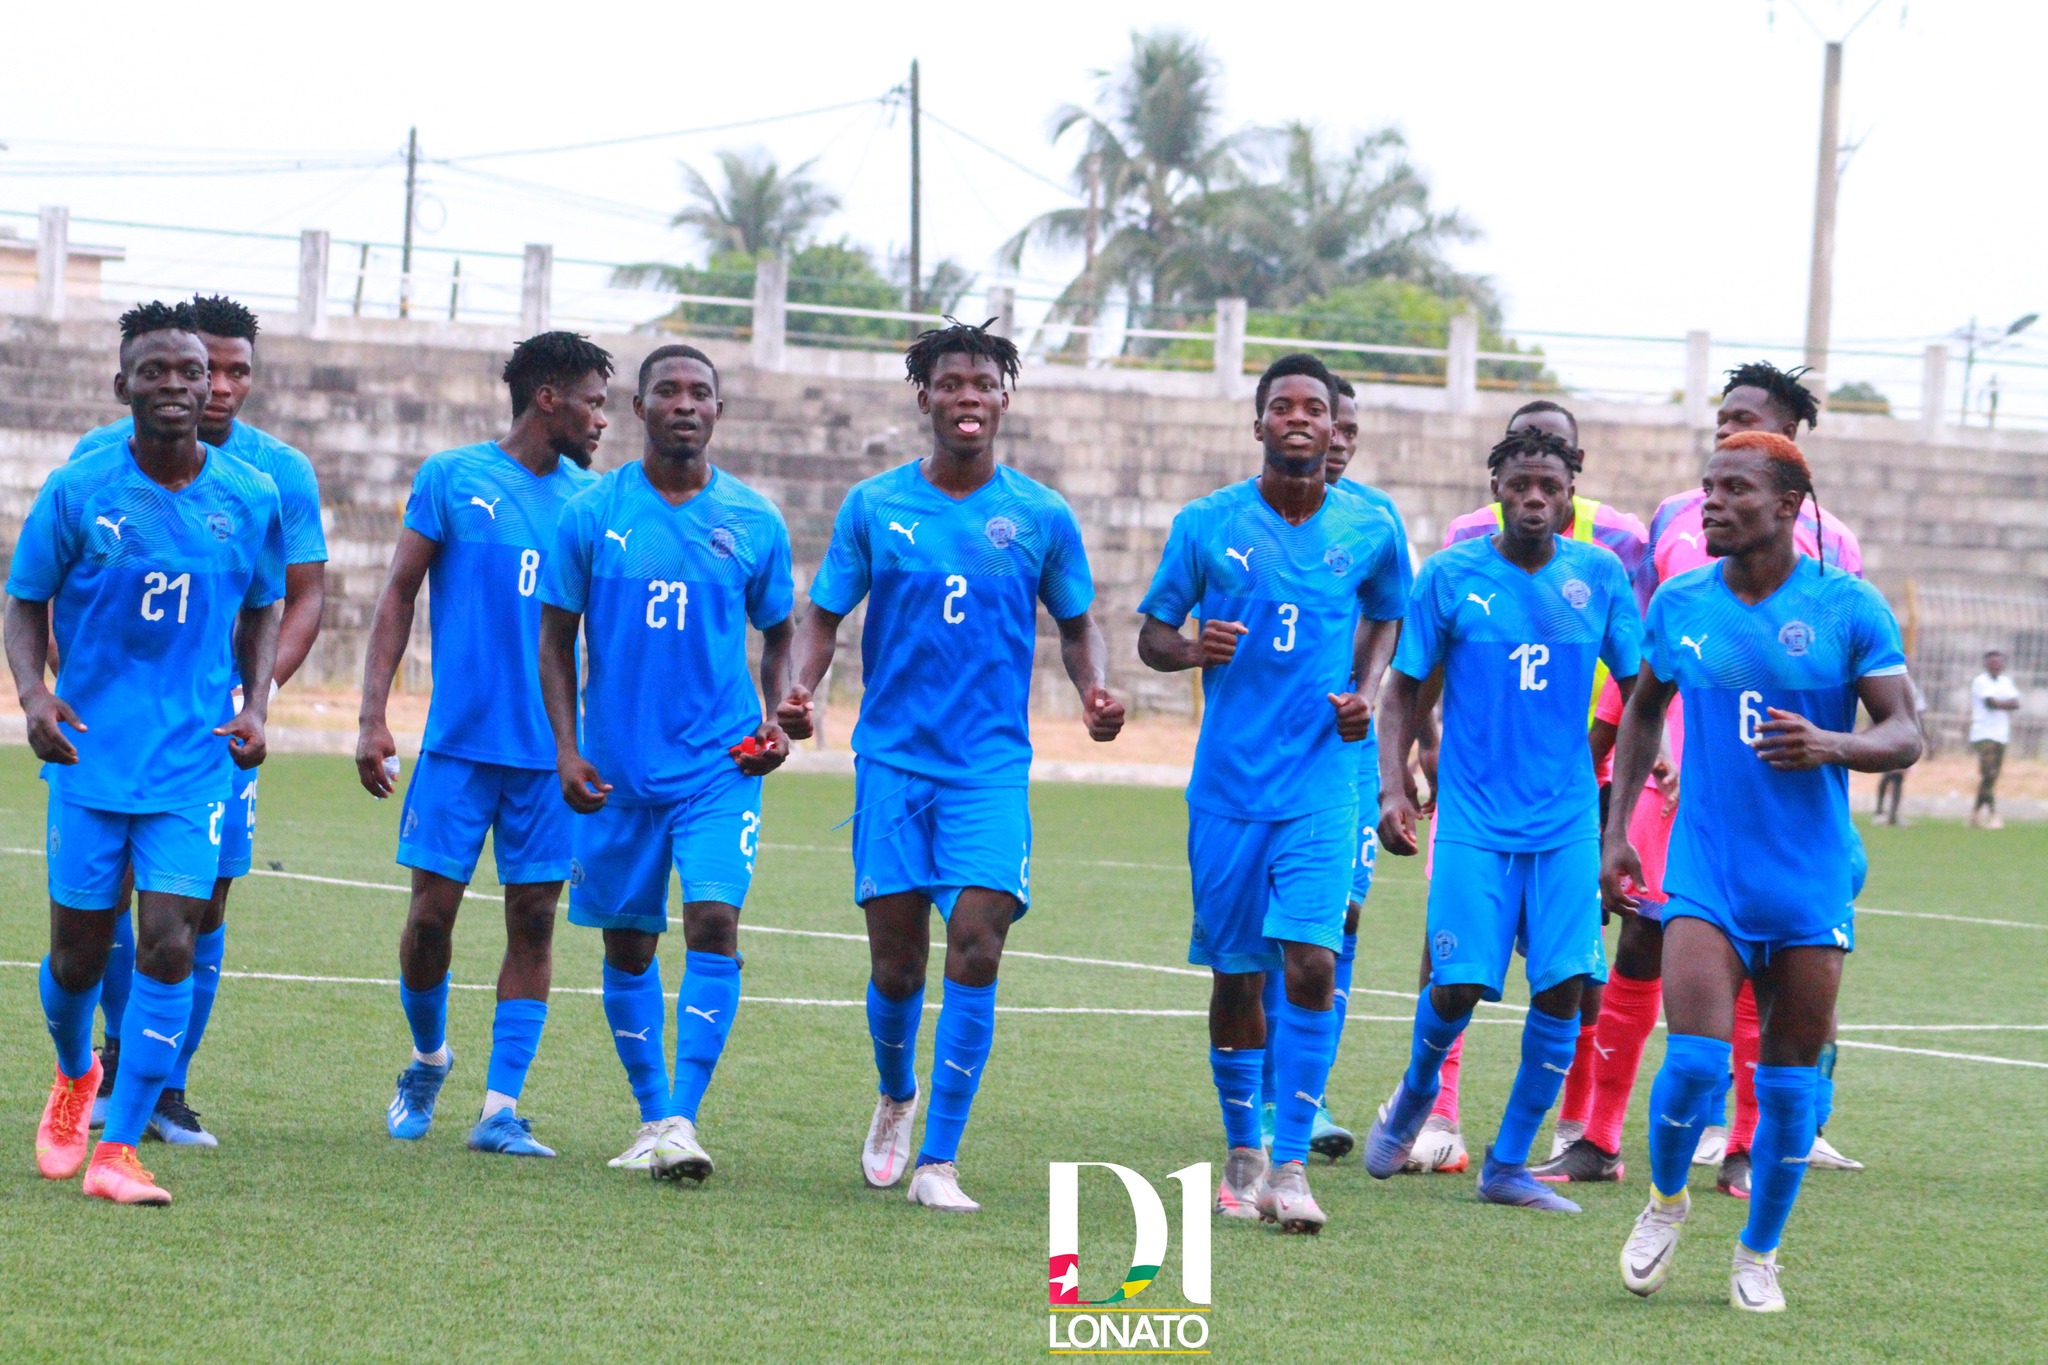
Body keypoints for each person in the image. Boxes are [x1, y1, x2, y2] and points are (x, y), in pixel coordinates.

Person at [776, 320, 1124, 1214]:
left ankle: (940, 1158)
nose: (968, 396)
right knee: (897, 968)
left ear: (1004, 398)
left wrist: (1094, 688)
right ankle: (897, 1093)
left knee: (977, 941)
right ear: (925, 396)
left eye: (983, 383)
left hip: (989, 768)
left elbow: (1078, 624)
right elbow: (822, 617)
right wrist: (799, 689)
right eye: (951, 383)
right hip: (893, 764)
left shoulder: (1041, 515)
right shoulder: (874, 506)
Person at [1610, 431, 1919, 1313]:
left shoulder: (1847, 606)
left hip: (1809, 878)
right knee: (1693, 1065)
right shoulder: (1682, 601)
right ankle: (1666, 1201)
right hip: (1708, 868)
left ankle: (1759, 1252)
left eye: (1735, 489)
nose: (1711, 502)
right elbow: (1642, 709)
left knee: (1789, 1084)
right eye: (1708, 486)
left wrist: (1831, 742)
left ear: (1788, 506)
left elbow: (1906, 732)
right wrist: (1617, 830)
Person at [1542, 362, 1867, 1193]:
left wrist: (1820, 759)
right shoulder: (1676, 517)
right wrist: (1613, 758)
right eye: (1722, 417)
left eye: (1745, 418)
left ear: (1788, 440)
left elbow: (1842, 680)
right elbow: (1643, 657)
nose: (1726, 428)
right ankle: (1598, 1137)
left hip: (1766, 793)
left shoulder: (1834, 546)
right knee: (1641, 938)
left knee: (1763, 960)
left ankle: (1749, 1144)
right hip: (1668, 773)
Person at [11, 301, 284, 1204]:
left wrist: (257, 703)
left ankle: (120, 1147)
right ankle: (75, 1072)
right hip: (89, 756)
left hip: (195, 762)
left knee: (169, 944)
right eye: (156, 370)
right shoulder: (78, 489)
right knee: (77, 961)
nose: (176, 384)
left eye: (192, 371)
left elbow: (265, 605)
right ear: (121, 383)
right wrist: (34, 694)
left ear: (212, 389)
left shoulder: (250, 495)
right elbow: (23, 600)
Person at [1139, 353, 1407, 1233]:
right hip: (1227, 786)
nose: (1299, 417)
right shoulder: (1206, 523)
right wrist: (1192, 649)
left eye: (1314, 407)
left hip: (1322, 781)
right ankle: (1242, 1147)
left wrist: (1364, 689)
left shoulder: (1372, 525)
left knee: (1314, 958)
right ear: (1258, 424)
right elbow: (1152, 635)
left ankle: (1290, 1164)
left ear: (1335, 428)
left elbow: (1387, 612)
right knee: (1237, 974)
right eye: (1282, 405)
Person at [70, 293, 328, 1146]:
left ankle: (167, 1087)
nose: (218, 386)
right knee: (107, 902)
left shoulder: (277, 473)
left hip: (212, 731)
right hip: (114, 727)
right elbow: (60, 586)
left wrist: (252, 699)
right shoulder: (98, 459)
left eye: (236, 371)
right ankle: (108, 1065)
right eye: (204, 368)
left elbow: (297, 596)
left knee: (202, 902)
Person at [1365, 424, 1641, 1215]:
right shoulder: (1451, 575)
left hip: (1565, 824)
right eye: (1520, 484)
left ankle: (1508, 1163)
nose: (1534, 499)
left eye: (1550, 486)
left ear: (1571, 494)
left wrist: (1616, 821)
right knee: (1456, 985)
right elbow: (1402, 689)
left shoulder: (1600, 574)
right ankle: (1415, 1095)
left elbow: (1641, 693)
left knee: (1565, 989)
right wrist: (1393, 786)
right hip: (1474, 820)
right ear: (1496, 489)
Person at [538, 344, 793, 1182]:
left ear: (719, 410)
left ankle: (683, 1116)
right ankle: (653, 1116)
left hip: (720, 766)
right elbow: (555, 638)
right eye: (668, 391)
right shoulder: (591, 514)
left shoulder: (753, 520)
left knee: (714, 921)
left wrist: (776, 714)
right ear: (639, 407)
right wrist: (568, 749)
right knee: (629, 944)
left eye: (701, 393)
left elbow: (780, 633)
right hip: (616, 772)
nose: (686, 404)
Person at [355, 331, 610, 1157]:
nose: (603, 419)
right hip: (460, 747)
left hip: (551, 755)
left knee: (534, 919)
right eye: (593, 402)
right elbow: (398, 594)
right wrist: (372, 715)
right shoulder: (452, 477)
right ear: (547, 398)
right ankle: (429, 1058)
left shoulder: (592, 502)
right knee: (430, 921)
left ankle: (500, 1107)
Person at [1258, 375, 1414, 1165]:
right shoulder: (1248, 520)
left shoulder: (1377, 523)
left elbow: (1401, 639)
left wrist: (1403, 754)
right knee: (1267, 927)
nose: (1340, 438)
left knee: (1337, 918)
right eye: (1331, 422)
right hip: (1265, 755)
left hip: (1345, 754)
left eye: (1349, 427)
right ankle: (1261, 1091)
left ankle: (1302, 1096)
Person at [1968, 650, 2022, 829]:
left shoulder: (2006, 682)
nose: (1996, 666)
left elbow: (2016, 703)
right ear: (1986, 664)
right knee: (1988, 773)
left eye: (1998, 663)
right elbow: (1990, 703)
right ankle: (1993, 814)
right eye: (1992, 663)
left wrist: (2001, 703)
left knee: (1992, 776)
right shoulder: (1980, 681)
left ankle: (1975, 813)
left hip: (2001, 734)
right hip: (1983, 733)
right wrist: (2005, 703)